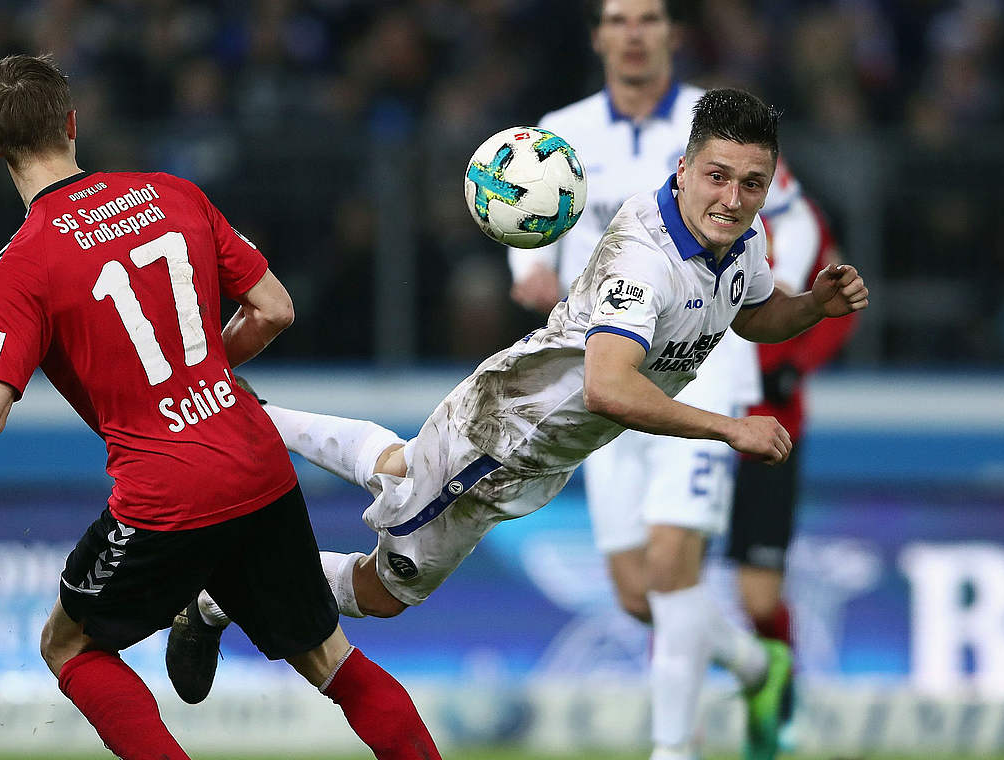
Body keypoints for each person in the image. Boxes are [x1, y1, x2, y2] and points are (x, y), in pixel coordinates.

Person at [169, 87, 868, 760]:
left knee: (405, 468)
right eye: (718, 177)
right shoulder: (644, 264)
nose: (734, 199)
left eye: (752, 183)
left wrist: (811, 307)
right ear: (683, 171)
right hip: (501, 442)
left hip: (519, 426)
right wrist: (729, 428)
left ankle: (248, 410)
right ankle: (216, 594)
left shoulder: (740, 243)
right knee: (385, 591)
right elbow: (608, 387)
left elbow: (749, 310)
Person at [0, 54, 441, 760]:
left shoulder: (21, 264)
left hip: (167, 493)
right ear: (72, 123)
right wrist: (206, 374)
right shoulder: (172, 194)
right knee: (332, 663)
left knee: (66, 645)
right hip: (255, 460)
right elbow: (275, 309)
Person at [506, 2, 810, 756]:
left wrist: (767, 293)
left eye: (648, 17)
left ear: (671, 34)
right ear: (599, 36)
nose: (634, 31)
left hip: (705, 372)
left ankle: (674, 749)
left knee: (675, 572)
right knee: (639, 594)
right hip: (609, 375)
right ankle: (752, 662)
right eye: (618, 18)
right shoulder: (564, 129)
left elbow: (792, 220)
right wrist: (530, 267)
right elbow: (525, 213)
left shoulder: (719, 128)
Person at [728, 162, 859, 704]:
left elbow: (841, 306)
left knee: (759, 600)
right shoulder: (685, 206)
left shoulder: (798, 216)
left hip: (771, 430)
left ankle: (774, 703)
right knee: (658, 585)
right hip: (689, 424)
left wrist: (795, 364)